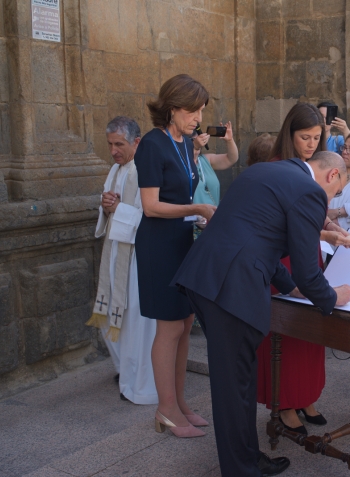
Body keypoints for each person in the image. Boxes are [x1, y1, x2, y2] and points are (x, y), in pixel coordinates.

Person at [172, 152, 350, 477]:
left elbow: (261, 240)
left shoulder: (267, 172)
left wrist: (291, 289)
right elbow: (306, 268)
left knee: (240, 381)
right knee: (232, 388)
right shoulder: (309, 191)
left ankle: (248, 458)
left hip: (210, 277)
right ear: (332, 176)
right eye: (336, 191)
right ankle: (240, 469)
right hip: (230, 287)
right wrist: (332, 298)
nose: (329, 201)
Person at [263, 102, 350, 436]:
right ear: (289, 135)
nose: (310, 144)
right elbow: (287, 225)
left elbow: (315, 215)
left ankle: (306, 397)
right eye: (305, 137)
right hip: (284, 260)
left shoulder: (313, 167)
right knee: (288, 330)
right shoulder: (280, 167)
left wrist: (331, 227)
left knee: (313, 329)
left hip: (308, 255)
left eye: (317, 138)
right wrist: (328, 231)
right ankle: (285, 401)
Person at [134, 74, 216, 438]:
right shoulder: (152, 144)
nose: (198, 117)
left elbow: (180, 197)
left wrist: (193, 213)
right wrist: (196, 206)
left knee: (184, 324)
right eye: (192, 109)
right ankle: (165, 410)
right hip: (158, 244)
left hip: (181, 239)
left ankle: (179, 402)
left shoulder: (184, 143)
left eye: (200, 110)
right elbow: (150, 206)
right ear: (172, 107)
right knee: (168, 328)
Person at [86, 116, 158, 405]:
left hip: (138, 256)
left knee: (135, 320)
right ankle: (124, 370)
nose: (113, 150)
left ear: (136, 142)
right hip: (115, 252)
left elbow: (150, 215)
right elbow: (110, 208)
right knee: (110, 316)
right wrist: (105, 206)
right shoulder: (115, 169)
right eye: (110, 144)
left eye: (119, 144)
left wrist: (118, 208)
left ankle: (139, 382)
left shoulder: (145, 170)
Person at [191, 121, 238, 238]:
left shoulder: (206, 160)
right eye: (192, 140)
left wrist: (229, 140)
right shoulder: (181, 164)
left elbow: (231, 159)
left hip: (212, 223)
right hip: (190, 222)